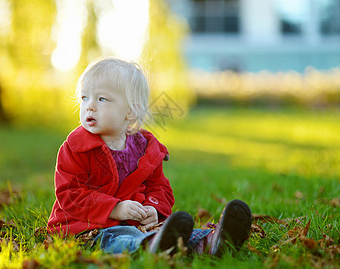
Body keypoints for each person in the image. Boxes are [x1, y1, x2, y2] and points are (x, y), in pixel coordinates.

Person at [47, 58, 252, 256]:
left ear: (130, 112)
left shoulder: (144, 148)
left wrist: (153, 208)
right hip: (90, 223)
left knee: (167, 230)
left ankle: (211, 241)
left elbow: (159, 187)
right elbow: (70, 194)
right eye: (84, 97)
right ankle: (148, 246)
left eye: (102, 99)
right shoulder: (76, 147)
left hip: (136, 222)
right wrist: (114, 208)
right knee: (116, 237)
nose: (89, 106)